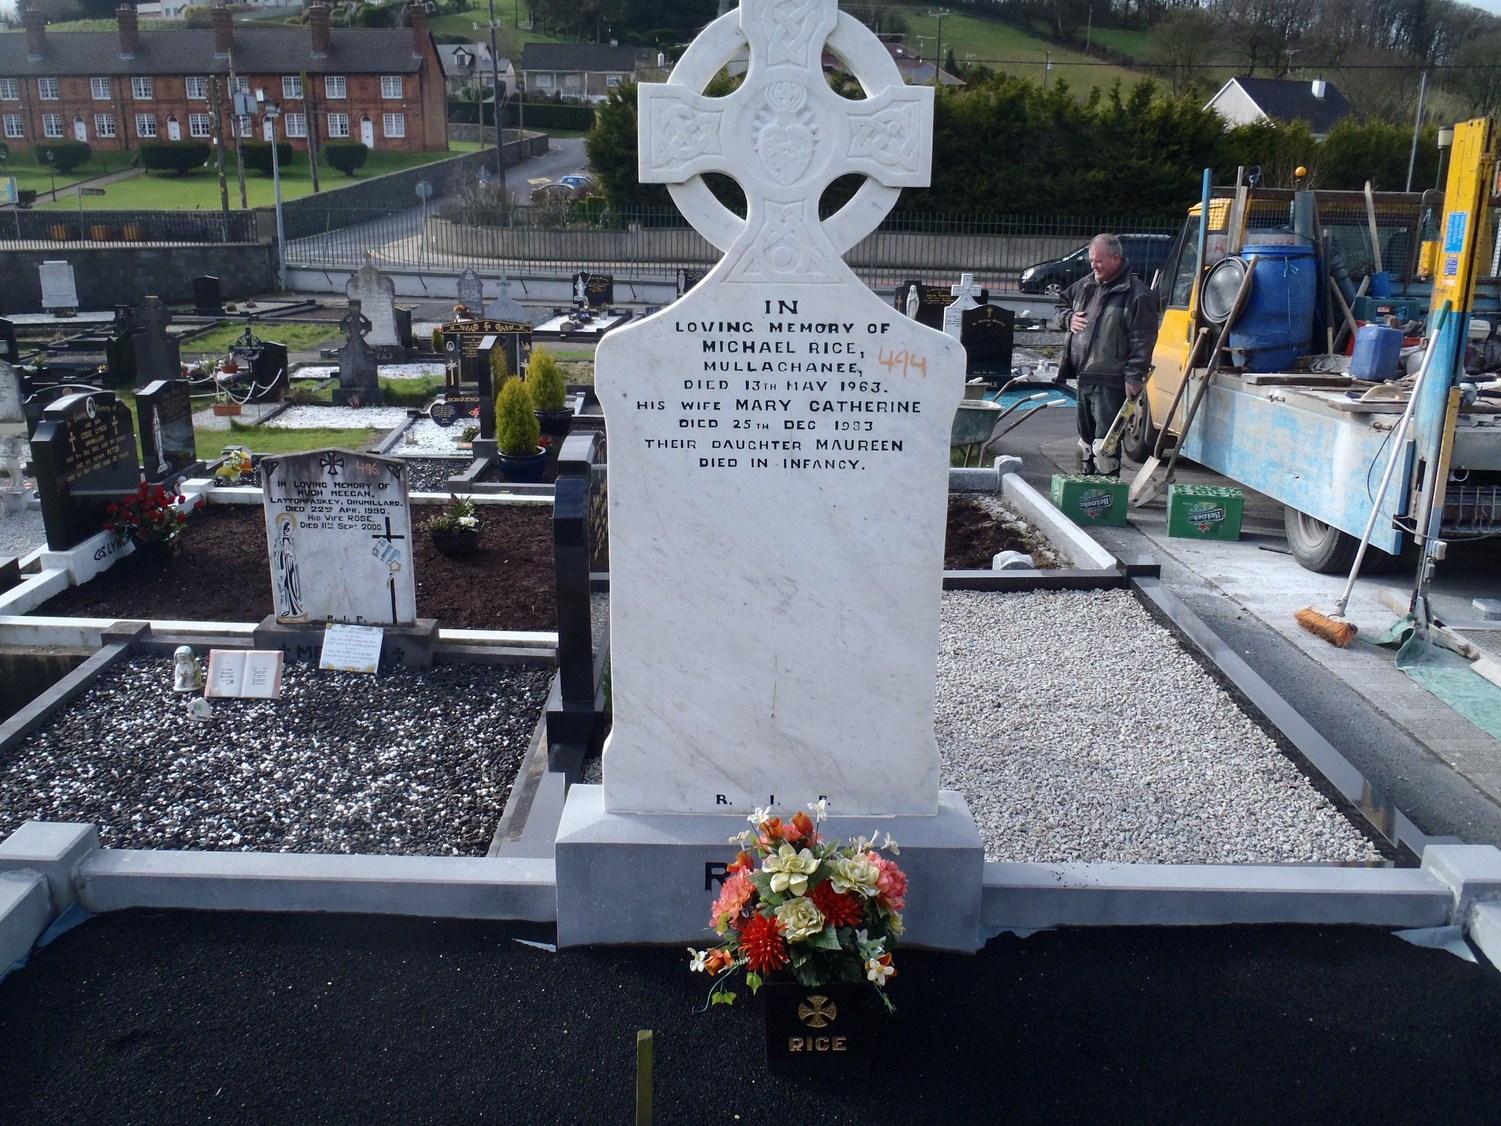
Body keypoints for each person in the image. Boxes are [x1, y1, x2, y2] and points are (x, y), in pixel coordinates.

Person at [1051, 234, 1158, 476]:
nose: (1094, 266)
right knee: (1085, 446)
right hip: (1084, 376)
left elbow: (1143, 340)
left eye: (1098, 261)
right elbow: (1059, 306)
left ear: (1116, 259)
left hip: (1111, 381)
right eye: (1091, 261)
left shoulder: (1137, 294)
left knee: (1104, 449)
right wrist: (1068, 318)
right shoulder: (1085, 285)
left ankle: (1106, 494)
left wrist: (1134, 377)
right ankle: (1084, 488)